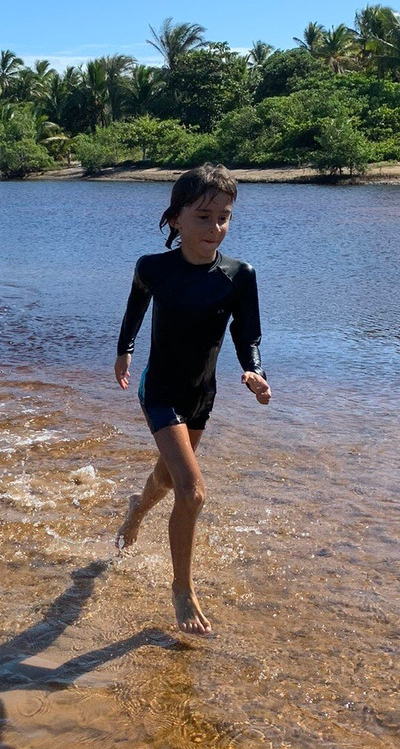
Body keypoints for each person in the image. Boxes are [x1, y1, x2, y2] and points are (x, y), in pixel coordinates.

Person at [114, 163, 271, 636]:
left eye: (224, 217)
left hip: (202, 396)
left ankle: (136, 510)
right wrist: (123, 352)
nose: (216, 227)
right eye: (204, 217)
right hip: (158, 390)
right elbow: (134, 313)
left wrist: (255, 372)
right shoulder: (153, 268)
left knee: (167, 479)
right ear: (176, 218)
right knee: (192, 490)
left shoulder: (238, 275)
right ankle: (182, 591)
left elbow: (248, 336)